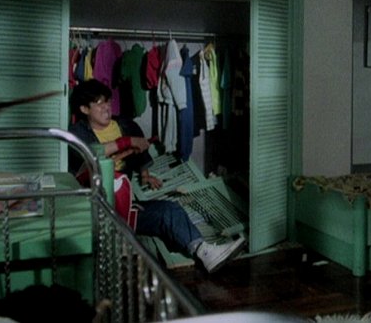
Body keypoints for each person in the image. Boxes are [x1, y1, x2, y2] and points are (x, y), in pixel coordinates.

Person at [68, 79, 246, 273]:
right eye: (99, 103)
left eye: (108, 101)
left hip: (124, 208)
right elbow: (88, 154)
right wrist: (125, 142)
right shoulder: (78, 132)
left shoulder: (125, 124)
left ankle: (204, 251)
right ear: (84, 109)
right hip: (97, 209)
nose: (106, 107)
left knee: (169, 210)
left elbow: (141, 153)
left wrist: (145, 174)